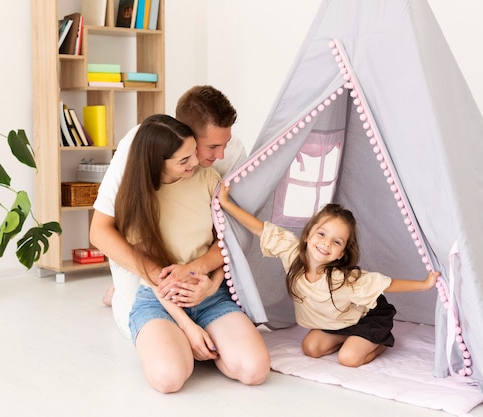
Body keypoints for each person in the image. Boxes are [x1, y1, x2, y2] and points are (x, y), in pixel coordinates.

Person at [114, 114, 270, 393]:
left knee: (255, 370)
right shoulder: (136, 200)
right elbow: (152, 275)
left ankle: (200, 343)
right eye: (183, 161)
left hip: (211, 296)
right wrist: (187, 326)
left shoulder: (208, 179)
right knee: (169, 379)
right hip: (160, 301)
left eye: (192, 154)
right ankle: (180, 342)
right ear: (156, 163)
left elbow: (225, 243)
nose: (194, 163)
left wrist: (211, 285)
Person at [216, 183, 440, 367]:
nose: (325, 243)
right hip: (337, 323)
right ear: (307, 235)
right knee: (310, 349)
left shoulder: (343, 279)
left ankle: (377, 341)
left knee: (349, 359)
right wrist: (226, 203)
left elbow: (386, 284)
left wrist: (423, 285)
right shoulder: (292, 253)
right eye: (321, 234)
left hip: (365, 317)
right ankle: (347, 338)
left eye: (336, 242)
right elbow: (261, 229)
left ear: (341, 252)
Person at [90, 85, 246, 338]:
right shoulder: (139, 145)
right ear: (187, 137)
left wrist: (208, 279)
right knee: (144, 325)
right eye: (212, 147)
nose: (221, 154)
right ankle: (119, 293)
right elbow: (100, 231)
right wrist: (165, 281)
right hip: (145, 255)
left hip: (197, 255)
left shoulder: (231, 152)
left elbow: (234, 232)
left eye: (225, 143)